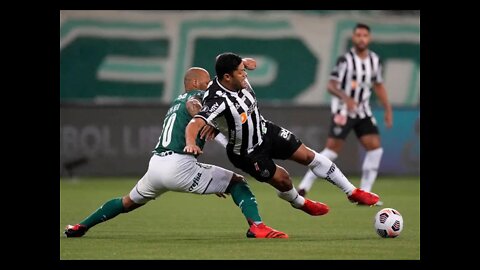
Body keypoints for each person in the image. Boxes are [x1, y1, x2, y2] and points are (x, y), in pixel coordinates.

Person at [64, 65, 288, 239]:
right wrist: (204, 116)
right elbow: (196, 107)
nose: (211, 83)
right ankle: (257, 227)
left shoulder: (175, 101)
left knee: (127, 202)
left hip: (156, 166)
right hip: (180, 165)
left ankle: (81, 226)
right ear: (193, 82)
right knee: (237, 182)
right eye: (206, 80)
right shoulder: (197, 97)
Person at [184, 52, 379, 218]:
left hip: (265, 130)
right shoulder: (217, 100)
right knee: (284, 180)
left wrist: (244, 61)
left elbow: (222, 58)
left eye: (244, 70)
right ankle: (300, 202)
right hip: (247, 153)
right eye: (241, 72)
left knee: (308, 156)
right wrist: (191, 142)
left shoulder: (235, 76)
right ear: (227, 77)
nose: (245, 75)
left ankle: (352, 191)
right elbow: (195, 122)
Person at [297, 23, 392, 204]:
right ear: (353, 38)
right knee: (331, 151)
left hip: (363, 112)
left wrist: (387, 109)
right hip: (343, 111)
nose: (362, 38)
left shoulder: (375, 60)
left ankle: (366, 193)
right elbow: (331, 85)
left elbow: (378, 85)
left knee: (375, 149)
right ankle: (304, 186)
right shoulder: (345, 60)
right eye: (358, 35)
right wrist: (345, 97)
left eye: (365, 35)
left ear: (369, 38)